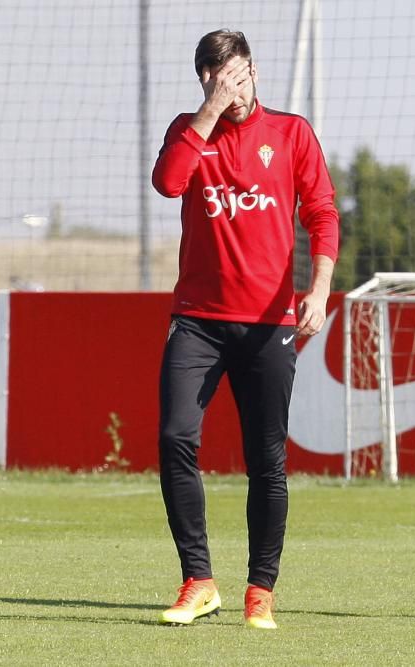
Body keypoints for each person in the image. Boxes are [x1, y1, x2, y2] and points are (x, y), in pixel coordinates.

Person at [151, 29, 339, 630]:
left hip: (267, 325)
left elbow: (322, 212)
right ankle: (198, 581)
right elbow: (168, 182)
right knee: (175, 438)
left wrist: (321, 284)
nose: (226, 89)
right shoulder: (190, 130)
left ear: (253, 71)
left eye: (233, 76)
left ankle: (261, 590)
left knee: (267, 459)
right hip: (197, 322)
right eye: (212, 80)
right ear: (203, 80)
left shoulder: (291, 133)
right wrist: (207, 111)